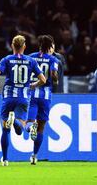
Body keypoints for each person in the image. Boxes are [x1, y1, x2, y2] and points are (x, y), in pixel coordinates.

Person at [0, 35, 46, 166]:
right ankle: (30, 126)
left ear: (12, 45)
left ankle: (5, 159)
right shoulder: (31, 61)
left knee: (5, 129)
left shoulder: (7, 59)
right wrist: (34, 85)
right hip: (23, 97)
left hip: (9, 96)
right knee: (23, 125)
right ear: (24, 46)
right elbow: (43, 80)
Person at [27, 35, 59, 165]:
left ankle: (30, 127)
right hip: (45, 96)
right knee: (42, 126)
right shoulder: (53, 59)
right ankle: (34, 155)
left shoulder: (30, 57)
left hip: (32, 94)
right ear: (51, 46)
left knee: (29, 121)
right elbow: (54, 74)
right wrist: (55, 80)